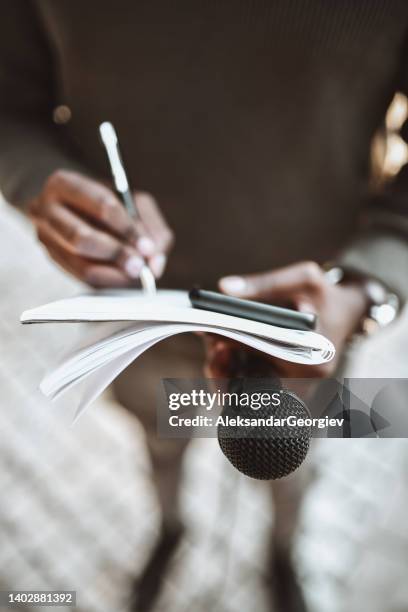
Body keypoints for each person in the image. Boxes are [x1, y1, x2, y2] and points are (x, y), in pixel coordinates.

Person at [1, 2, 408, 610]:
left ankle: (283, 553)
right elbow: (10, 106)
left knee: (290, 465)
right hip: (138, 321)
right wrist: (37, 182)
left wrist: (368, 284)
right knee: (161, 444)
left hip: (304, 331)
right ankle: (169, 530)